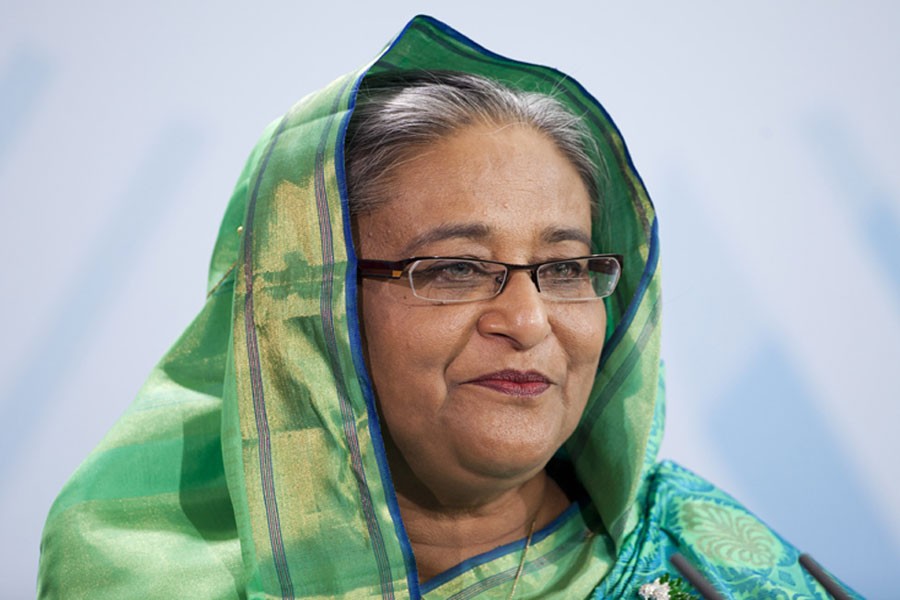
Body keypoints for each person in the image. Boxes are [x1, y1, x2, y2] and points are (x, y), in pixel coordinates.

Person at [38, 15, 859, 599]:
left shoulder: (709, 571)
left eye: (565, 269)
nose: (528, 322)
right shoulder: (139, 567)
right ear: (309, 307)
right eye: (458, 268)